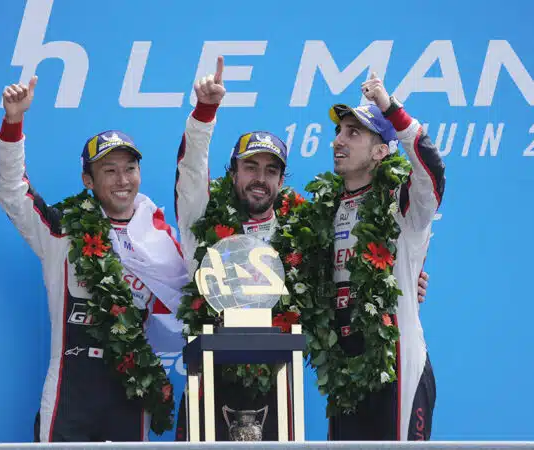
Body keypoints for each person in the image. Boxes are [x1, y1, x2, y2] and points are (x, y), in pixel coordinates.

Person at [171, 58, 432, 441]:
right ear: (232, 173)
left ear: (281, 179)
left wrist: (410, 279)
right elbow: (191, 172)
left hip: (279, 384)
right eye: (250, 167)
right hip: (210, 377)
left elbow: (360, 262)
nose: (260, 179)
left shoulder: (301, 230)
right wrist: (204, 112)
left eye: (271, 170)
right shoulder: (201, 221)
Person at [0, 76, 187, 442]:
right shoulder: (62, 231)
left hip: (130, 389)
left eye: (129, 168)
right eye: (109, 170)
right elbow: (10, 190)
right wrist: (13, 122)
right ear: (88, 180)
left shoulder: (163, 240)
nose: (122, 179)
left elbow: (185, 307)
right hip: (70, 386)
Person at [325, 73, 445, 441]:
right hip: (345, 372)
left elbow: (433, 173)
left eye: (353, 133)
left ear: (380, 151)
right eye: (339, 131)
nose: (338, 141)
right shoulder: (323, 211)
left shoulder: (403, 205)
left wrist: (390, 108)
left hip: (398, 369)